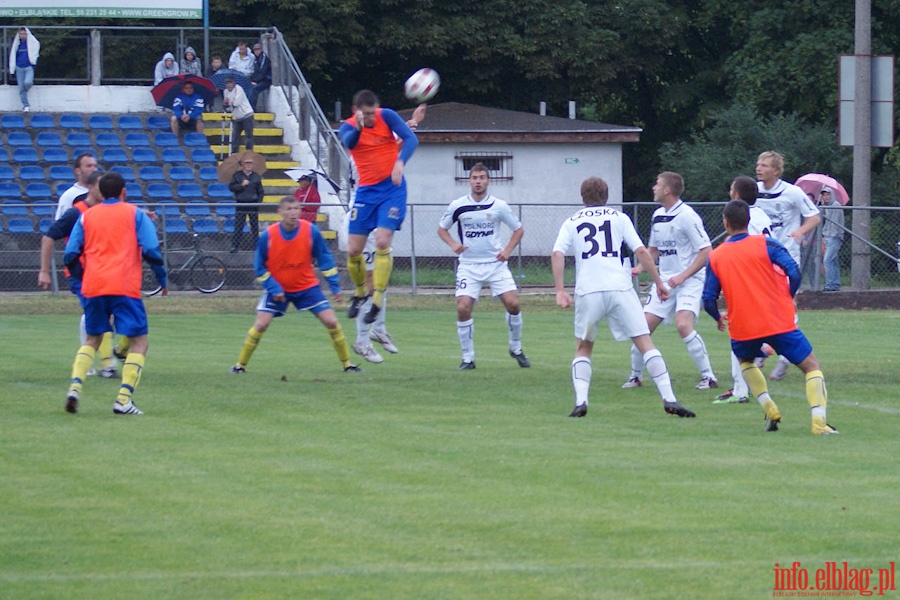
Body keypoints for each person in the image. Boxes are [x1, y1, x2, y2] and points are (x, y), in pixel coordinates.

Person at [552, 177, 696, 418]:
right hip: (620, 288)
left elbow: (557, 253)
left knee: (584, 347)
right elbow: (641, 251)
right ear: (606, 197)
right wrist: (659, 282)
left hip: (589, 292)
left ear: (582, 197)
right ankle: (669, 398)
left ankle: (581, 401)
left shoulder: (571, 222)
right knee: (644, 341)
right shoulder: (619, 217)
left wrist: (560, 289)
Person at [702, 200, 838, 435]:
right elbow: (793, 271)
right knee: (811, 366)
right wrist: (788, 294)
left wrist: (717, 316)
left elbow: (708, 298)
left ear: (726, 223)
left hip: (744, 324)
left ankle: (769, 408)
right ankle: (818, 423)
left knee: (745, 362)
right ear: (748, 222)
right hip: (778, 319)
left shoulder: (716, 256)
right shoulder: (767, 244)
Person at [62, 172, 167, 415]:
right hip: (124, 286)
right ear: (124, 191)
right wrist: (162, 279)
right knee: (139, 342)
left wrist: (83, 275)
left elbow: (69, 254)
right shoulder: (136, 215)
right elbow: (151, 250)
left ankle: (75, 387)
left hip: (94, 285)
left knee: (92, 339)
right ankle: (123, 399)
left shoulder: (87, 217)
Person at [231, 196, 361, 374]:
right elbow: (259, 268)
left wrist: (335, 286)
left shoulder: (311, 231)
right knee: (261, 325)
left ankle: (347, 365)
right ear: (280, 212)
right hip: (278, 288)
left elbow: (325, 258)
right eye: (289, 209)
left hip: (306, 287)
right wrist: (274, 288)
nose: (293, 213)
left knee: (331, 321)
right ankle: (240, 366)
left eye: (296, 209)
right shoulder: (268, 235)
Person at [622, 171, 718, 390]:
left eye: (657, 184)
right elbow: (653, 249)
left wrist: (683, 276)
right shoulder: (658, 216)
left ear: (667, 190)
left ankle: (709, 377)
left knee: (683, 325)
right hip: (665, 282)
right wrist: (639, 268)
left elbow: (706, 251)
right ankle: (636, 376)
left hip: (690, 280)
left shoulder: (687, 216)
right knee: (641, 327)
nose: (653, 188)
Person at [348, 104, 426, 363]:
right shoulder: (357, 139)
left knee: (381, 269)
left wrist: (413, 121)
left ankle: (378, 328)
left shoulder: (379, 133)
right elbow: (391, 141)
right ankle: (362, 340)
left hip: (380, 202)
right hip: (364, 203)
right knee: (372, 277)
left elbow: (399, 139)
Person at [437, 163, 530, 370]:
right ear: (469, 181)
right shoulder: (458, 205)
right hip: (469, 266)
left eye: (481, 178)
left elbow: (518, 230)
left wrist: (507, 250)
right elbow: (442, 229)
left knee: (513, 304)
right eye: (474, 178)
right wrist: (453, 244)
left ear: (488, 181)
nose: (478, 181)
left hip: (495, 265)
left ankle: (516, 347)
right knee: (462, 307)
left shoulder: (499, 205)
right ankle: (468, 358)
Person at [339, 89, 418, 325]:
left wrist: (400, 162)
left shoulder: (388, 116)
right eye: (367, 114)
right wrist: (360, 128)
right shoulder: (347, 127)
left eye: (374, 112)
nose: (372, 118)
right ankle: (360, 292)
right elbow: (349, 142)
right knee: (354, 250)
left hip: (392, 190)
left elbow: (411, 139)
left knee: (383, 242)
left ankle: (377, 300)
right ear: (356, 112)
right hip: (366, 192)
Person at [39, 172, 118, 379]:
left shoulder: (105, 211)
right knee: (95, 313)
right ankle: (97, 363)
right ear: (90, 188)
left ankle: (100, 362)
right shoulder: (75, 213)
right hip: (79, 273)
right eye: (102, 187)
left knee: (105, 313)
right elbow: (49, 237)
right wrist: (44, 271)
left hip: (102, 273)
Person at [755, 151, 821, 380]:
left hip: (785, 256)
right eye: (758, 164)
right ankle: (765, 346)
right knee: (760, 304)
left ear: (776, 170)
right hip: (759, 257)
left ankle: (782, 355)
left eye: (764, 165)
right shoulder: (754, 191)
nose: (759, 168)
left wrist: (799, 231)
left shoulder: (792, 192)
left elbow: (814, 216)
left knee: (785, 303)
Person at [713, 176, 773, 405]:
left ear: (737, 195)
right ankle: (759, 351)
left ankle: (741, 390)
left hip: (753, 280)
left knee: (738, 334)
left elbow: (753, 249)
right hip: (761, 279)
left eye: (731, 189)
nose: (729, 192)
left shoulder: (749, 219)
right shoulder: (760, 215)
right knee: (745, 333)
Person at [229, 155, 264, 252]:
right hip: (241, 203)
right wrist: (241, 185)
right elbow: (232, 187)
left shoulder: (256, 176)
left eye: (250, 163)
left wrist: (258, 202)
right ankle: (235, 246)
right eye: (247, 163)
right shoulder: (237, 175)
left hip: (253, 204)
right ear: (243, 164)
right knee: (239, 225)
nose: (249, 165)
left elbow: (260, 191)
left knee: (254, 226)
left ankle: (257, 246)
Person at [55, 153, 99, 221]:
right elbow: (61, 224)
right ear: (78, 171)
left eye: (95, 166)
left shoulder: (101, 192)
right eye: (89, 166)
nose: (94, 170)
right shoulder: (69, 196)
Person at [819, 188, 845, 292]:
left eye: (828, 195)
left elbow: (833, 223)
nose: (826, 197)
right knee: (833, 261)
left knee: (827, 260)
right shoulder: (826, 206)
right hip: (827, 236)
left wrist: (831, 236)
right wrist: (821, 207)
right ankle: (835, 284)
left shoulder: (836, 205)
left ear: (832, 195)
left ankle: (829, 285)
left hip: (834, 236)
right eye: (824, 195)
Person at [9, 27, 39, 112]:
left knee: (28, 82)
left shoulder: (30, 43)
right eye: (21, 34)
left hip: (28, 67)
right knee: (21, 88)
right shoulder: (17, 45)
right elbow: (14, 55)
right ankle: (25, 105)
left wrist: (33, 61)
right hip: (19, 67)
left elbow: (36, 45)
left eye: (24, 34)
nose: (22, 35)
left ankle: (24, 91)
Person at [223, 76, 254, 155]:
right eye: (227, 83)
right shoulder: (225, 92)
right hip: (237, 117)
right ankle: (234, 152)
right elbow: (227, 108)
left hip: (246, 114)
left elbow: (236, 102)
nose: (228, 85)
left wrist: (228, 102)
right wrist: (225, 104)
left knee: (248, 135)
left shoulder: (238, 88)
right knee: (235, 135)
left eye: (230, 83)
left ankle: (249, 151)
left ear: (234, 83)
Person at [248, 42, 272, 110]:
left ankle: (251, 108)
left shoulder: (263, 57)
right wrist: (252, 80)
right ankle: (248, 107)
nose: (257, 51)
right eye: (255, 50)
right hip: (261, 80)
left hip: (267, 80)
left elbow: (263, 72)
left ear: (261, 49)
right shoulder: (256, 58)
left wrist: (256, 81)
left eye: (258, 49)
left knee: (254, 89)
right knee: (249, 88)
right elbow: (256, 72)